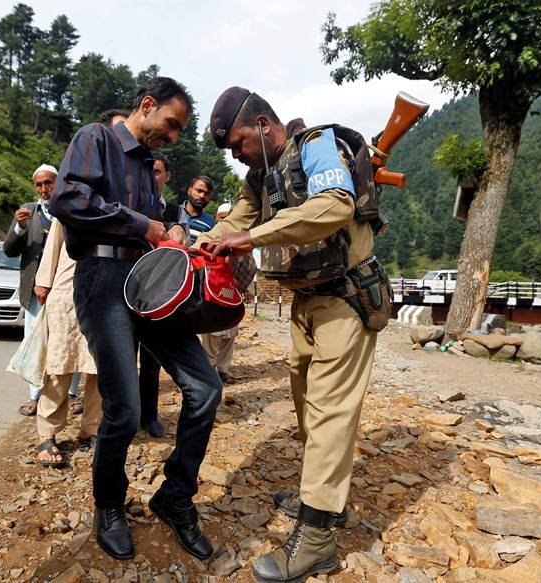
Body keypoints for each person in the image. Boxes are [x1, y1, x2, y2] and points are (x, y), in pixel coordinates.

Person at [200, 87, 379, 583]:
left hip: (345, 297)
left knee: (328, 410)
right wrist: (193, 245)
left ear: (262, 124)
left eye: (238, 144)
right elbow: (232, 222)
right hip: (304, 301)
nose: (237, 156)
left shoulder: (316, 147)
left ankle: (317, 537)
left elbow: (335, 206)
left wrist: (251, 238)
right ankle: (327, 499)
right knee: (304, 399)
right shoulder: (259, 177)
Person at [50, 77, 221, 562]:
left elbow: (152, 227)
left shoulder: (149, 168)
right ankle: (109, 505)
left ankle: (175, 497)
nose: (172, 137)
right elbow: (68, 201)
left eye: (178, 131)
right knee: (123, 409)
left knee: (206, 387)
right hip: (102, 276)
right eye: (170, 124)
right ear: (146, 105)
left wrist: (169, 233)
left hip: (150, 281)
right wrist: (141, 224)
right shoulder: (95, 138)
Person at [32, 216, 103, 466]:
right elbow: (54, 241)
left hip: (105, 290)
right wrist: (43, 282)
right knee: (59, 364)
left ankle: (91, 428)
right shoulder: (73, 198)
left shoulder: (120, 196)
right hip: (66, 290)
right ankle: (47, 433)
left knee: (100, 368)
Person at [4, 164, 56, 417]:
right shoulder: (28, 213)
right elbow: (10, 250)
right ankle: (34, 397)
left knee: (68, 340)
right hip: (35, 292)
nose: (44, 189)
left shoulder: (70, 211)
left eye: (49, 182)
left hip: (66, 290)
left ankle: (71, 394)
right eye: (39, 184)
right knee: (34, 343)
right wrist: (19, 229)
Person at [137, 151, 183, 438]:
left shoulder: (175, 212)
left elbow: (182, 248)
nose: (152, 177)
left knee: (152, 359)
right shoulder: (132, 204)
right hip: (130, 285)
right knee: (124, 357)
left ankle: (149, 416)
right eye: (148, 171)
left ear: (166, 176)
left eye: (157, 172)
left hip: (159, 291)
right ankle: (123, 415)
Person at [200, 203, 256, 385]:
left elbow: (250, 267)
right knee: (212, 336)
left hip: (234, 296)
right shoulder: (211, 242)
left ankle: (223, 371)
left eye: (228, 217)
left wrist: (242, 287)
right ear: (217, 218)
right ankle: (208, 372)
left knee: (230, 336)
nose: (225, 221)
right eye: (222, 217)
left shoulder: (240, 241)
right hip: (214, 296)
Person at [181, 175, 216, 244]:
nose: (202, 196)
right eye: (199, 191)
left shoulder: (210, 222)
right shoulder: (173, 212)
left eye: (207, 193)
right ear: (189, 190)